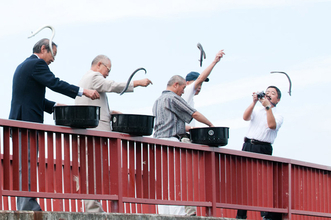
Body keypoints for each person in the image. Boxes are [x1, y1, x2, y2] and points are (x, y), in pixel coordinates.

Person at [9, 38, 100, 211]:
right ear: (44, 49)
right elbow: (55, 83)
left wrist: (55, 107)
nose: (53, 60)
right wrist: (83, 91)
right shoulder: (37, 65)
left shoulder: (24, 65)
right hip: (27, 124)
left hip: (19, 123)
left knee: (23, 167)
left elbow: (31, 98)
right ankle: (28, 208)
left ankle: (24, 206)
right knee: (26, 166)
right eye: (53, 54)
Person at [75, 54, 152, 212]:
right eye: (108, 69)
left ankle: (93, 206)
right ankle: (92, 209)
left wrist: (109, 113)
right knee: (93, 170)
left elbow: (95, 104)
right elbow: (112, 86)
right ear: (99, 64)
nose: (108, 73)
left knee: (92, 170)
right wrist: (136, 83)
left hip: (90, 131)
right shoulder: (94, 76)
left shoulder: (86, 79)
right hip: (95, 132)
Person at [153, 75, 213, 216]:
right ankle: (178, 214)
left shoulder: (157, 101)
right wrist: (210, 125)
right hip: (171, 143)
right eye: (183, 88)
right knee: (175, 181)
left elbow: (168, 123)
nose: (183, 91)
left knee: (163, 183)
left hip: (157, 143)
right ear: (175, 85)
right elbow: (194, 114)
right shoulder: (173, 98)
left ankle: (163, 214)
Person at [236, 86, 284, 220]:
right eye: (267, 92)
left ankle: (265, 214)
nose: (268, 95)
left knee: (262, 182)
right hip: (248, 145)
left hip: (263, 147)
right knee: (244, 182)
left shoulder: (278, 114)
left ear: (278, 99)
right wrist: (254, 102)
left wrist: (268, 107)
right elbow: (245, 117)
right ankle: (241, 215)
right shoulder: (257, 110)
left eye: (272, 93)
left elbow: (272, 125)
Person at [182, 49, 225, 129]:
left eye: (201, 84)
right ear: (186, 83)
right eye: (197, 83)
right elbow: (201, 78)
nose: (199, 86)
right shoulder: (186, 90)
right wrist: (214, 61)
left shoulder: (187, 98)